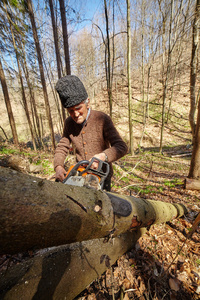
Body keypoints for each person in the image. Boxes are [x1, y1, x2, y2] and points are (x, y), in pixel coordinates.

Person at [54, 75, 128, 191]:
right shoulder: (69, 123)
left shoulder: (102, 119)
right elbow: (62, 146)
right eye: (71, 111)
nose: (76, 114)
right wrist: (58, 166)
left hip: (102, 178)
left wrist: (102, 156)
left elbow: (121, 147)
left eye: (78, 108)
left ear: (87, 103)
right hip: (80, 175)